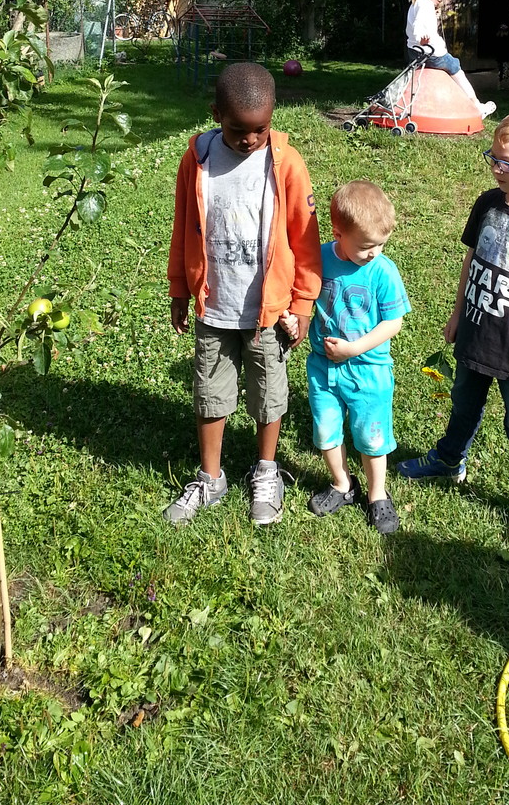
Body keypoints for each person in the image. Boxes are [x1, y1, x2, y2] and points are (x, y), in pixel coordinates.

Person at [397, 106, 509, 551]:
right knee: (462, 404)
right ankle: (449, 458)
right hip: (476, 331)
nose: (496, 168)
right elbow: (472, 260)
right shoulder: (488, 203)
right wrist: (458, 312)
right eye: (492, 158)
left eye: (506, 163)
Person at [166, 62, 322, 526]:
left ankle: (267, 470)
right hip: (214, 306)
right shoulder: (197, 160)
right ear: (216, 114)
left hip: (268, 314)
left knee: (269, 396)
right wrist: (179, 286)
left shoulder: (287, 165)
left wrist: (303, 303)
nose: (250, 139)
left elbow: (305, 240)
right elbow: (182, 228)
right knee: (209, 394)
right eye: (238, 129)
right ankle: (211, 477)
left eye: (261, 128)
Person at [297, 181, 410, 535]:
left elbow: (394, 322)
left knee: (371, 436)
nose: (375, 251)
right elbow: (303, 296)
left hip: (368, 371)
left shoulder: (383, 271)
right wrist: (292, 315)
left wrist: (354, 348)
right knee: (326, 430)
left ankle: (378, 494)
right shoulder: (320, 258)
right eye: (365, 245)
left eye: (380, 244)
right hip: (323, 368)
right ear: (338, 233)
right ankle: (342, 485)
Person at [405, 0, 496, 119]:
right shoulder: (425, 4)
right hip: (432, 54)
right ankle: (477, 105)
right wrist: (421, 38)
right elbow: (418, 26)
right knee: (456, 69)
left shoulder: (418, 1)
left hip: (414, 53)